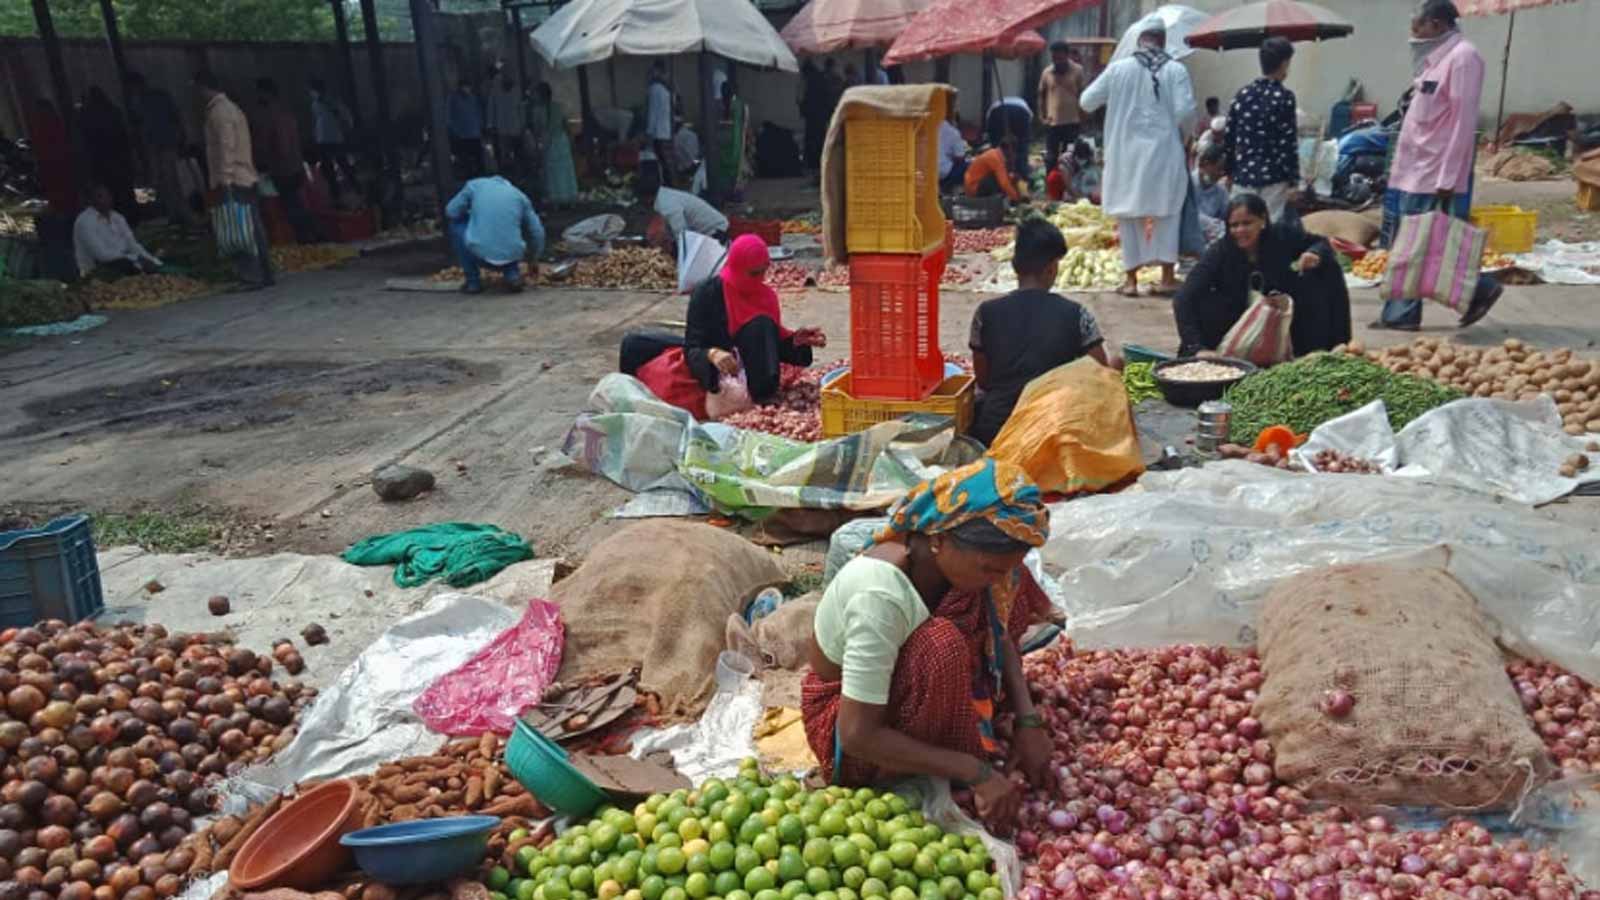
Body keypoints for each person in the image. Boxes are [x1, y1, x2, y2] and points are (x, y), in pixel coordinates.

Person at [801, 456, 1055, 824]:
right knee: (940, 646)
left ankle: (958, 728)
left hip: (909, 689)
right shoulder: (880, 596)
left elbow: (1005, 640)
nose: (996, 577)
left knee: (1013, 589)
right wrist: (976, 772)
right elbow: (857, 734)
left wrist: (1028, 721)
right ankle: (921, 764)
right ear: (939, 540)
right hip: (851, 726)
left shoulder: (966, 571)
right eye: (989, 567)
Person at [1377, 0, 1502, 331]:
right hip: (1413, 169)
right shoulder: (1435, 60)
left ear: (1435, 24)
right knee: (1409, 242)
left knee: (1430, 243)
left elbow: (1463, 121)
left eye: (1417, 26)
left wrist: (1449, 175)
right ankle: (1398, 312)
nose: (1413, 33)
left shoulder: (1463, 58)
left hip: (1435, 173)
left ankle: (1478, 289)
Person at [622, 236, 825, 418]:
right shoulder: (707, 292)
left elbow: (770, 346)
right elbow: (693, 345)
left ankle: (757, 395)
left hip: (747, 368)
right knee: (634, 344)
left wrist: (795, 342)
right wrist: (712, 354)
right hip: (712, 362)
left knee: (761, 324)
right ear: (736, 267)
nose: (760, 279)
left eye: (763, 272)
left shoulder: (766, 297)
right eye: (754, 273)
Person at [1080, 14, 1197, 297]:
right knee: (1167, 214)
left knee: (1128, 215)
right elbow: (1185, 111)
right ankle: (1167, 277)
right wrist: (1187, 137)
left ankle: (1131, 281)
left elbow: (1086, 101)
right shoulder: (1176, 70)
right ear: (1163, 40)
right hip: (1164, 154)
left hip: (1125, 156)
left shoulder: (1118, 70)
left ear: (1139, 39)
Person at [968, 217, 1110, 446]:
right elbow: (1099, 377)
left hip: (996, 431)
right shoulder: (1077, 314)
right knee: (1116, 368)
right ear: (1052, 269)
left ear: (1014, 266)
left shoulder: (985, 314)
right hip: (1053, 433)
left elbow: (983, 380)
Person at [1174, 192, 1351, 358]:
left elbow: (1321, 243)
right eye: (1234, 225)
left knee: (1328, 268)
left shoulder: (1282, 235)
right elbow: (1183, 297)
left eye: (1247, 223)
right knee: (1202, 298)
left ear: (1263, 220)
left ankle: (1328, 347)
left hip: (1281, 314)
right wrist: (1196, 347)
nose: (1240, 230)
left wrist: (1314, 253)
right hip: (1237, 319)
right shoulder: (1220, 252)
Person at [196, 70, 273, 289]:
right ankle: (265, 274)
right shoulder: (232, 108)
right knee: (253, 228)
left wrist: (225, 179)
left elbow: (226, 146)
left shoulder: (219, 111)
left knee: (238, 229)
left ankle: (251, 276)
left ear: (205, 88)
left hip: (234, 179)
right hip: (244, 176)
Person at [1224, 38, 1300, 223]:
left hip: (1243, 175)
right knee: (1268, 228)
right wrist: (1293, 180)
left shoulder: (1242, 95)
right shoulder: (1284, 98)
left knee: (1241, 227)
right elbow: (1287, 142)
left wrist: (1229, 171)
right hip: (1274, 177)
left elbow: (1230, 137)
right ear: (1284, 64)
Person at [444, 175, 544, 295]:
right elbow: (537, 232)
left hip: (478, 253)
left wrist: (472, 213)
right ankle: (512, 275)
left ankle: (473, 282)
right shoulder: (520, 196)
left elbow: (451, 211)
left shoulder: (474, 186)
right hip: (513, 254)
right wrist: (533, 260)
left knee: (456, 224)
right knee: (509, 228)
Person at [126, 72, 198, 227]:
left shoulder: (141, 102)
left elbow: (146, 127)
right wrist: (181, 138)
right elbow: (176, 116)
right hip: (168, 144)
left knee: (163, 182)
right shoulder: (160, 96)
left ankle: (175, 214)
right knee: (170, 181)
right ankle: (177, 213)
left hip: (158, 146)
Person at [252, 78, 319, 245]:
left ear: (265, 93)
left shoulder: (271, 115)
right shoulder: (286, 112)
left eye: (260, 93)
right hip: (295, 166)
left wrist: (267, 159)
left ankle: (306, 240)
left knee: (293, 207)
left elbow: (282, 145)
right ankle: (311, 236)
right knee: (298, 204)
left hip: (284, 169)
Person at [73, 184, 161, 279]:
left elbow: (132, 244)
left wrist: (153, 261)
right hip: (96, 274)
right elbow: (102, 255)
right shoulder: (84, 222)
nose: (106, 199)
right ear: (90, 200)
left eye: (108, 196)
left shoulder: (117, 217)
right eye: (100, 196)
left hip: (124, 265)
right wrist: (135, 259)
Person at [79, 86, 139, 225]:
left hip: (103, 162)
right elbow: (124, 136)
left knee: (111, 193)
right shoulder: (112, 111)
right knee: (124, 191)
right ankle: (132, 218)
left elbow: (87, 143)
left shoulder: (88, 117)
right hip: (118, 160)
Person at [637, 175, 729, 245]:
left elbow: (681, 235)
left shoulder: (667, 205)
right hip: (706, 231)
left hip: (716, 231)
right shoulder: (664, 195)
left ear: (647, 198)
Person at [1038, 43, 1086, 173]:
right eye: (1054, 59)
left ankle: (1068, 187)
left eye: (1060, 58)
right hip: (1052, 123)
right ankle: (1052, 186)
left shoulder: (1078, 71)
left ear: (1067, 55)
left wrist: (1083, 117)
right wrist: (1042, 117)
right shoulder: (1047, 72)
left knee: (1069, 156)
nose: (1057, 62)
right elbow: (1041, 96)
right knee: (1051, 157)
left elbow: (1083, 95)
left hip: (1072, 123)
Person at [309, 78, 358, 203]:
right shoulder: (315, 104)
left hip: (335, 139)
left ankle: (356, 188)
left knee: (343, 164)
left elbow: (346, 116)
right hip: (323, 141)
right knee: (329, 169)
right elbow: (317, 122)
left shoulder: (332, 101)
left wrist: (347, 128)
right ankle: (335, 194)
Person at [528, 83, 577, 208]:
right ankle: (570, 199)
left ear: (540, 95)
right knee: (566, 169)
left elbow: (537, 130)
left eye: (535, 93)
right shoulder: (559, 107)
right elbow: (566, 125)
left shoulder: (537, 110)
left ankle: (556, 200)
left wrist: (537, 144)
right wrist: (571, 140)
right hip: (562, 141)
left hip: (549, 142)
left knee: (552, 172)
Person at [25, 98, 76, 216]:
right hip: (59, 165)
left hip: (53, 166)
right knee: (66, 197)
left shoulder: (40, 124)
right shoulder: (53, 121)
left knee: (60, 198)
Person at [486, 73, 526, 177]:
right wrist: (490, 125)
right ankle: (508, 176)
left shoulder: (517, 90)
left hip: (516, 128)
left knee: (519, 154)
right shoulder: (495, 91)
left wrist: (523, 125)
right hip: (502, 129)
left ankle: (520, 176)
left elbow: (521, 109)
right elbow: (491, 108)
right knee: (504, 155)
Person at [985, 96, 1033, 178]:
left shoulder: (991, 113)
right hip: (1020, 112)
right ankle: (1022, 170)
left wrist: (996, 143)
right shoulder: (1027, 112)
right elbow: (1023, 135)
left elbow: (991, 132)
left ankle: (996, 169)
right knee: (1022, 145)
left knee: (995, 145)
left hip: (998, 111)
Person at [447, 80, 485, 179]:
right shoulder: (453, 99)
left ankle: (479, 173)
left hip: (474, 132)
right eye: (465, 86)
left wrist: (480, 125)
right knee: (465, 157)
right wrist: (453, 130)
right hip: (462, 134)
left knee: (478, 156)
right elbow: (449, 116)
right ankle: (468, 174)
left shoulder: (473, 98)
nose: (467, 89)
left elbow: (478, 113)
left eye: (468, 86)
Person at [1193, 144, 1230, 244]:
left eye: (1223, 170)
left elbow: (1227, 215)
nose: (1221, 173)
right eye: (1219, 168)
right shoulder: (1187, 184)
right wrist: (1212, 224)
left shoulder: (1221, 191)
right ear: (1205, 164)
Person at [645, 63, 674, 186]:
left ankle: (668, 186)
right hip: (666, 131)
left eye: (651, 72)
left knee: (663, 162)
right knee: (667, 162)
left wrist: (649, 133)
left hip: (658, 132)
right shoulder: (666, 89)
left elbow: (653, 112)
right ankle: (671, 186)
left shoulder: (654, 88)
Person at [799, 61, 831, 171]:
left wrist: (803, 107)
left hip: (813, 117)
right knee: (819, 140)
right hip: (821, 116)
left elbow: (808, 99)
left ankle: (813, 165)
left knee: (813, 141)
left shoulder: (812, 81)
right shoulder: (821, 79)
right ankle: (818, 164)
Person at [938, 110, 970, 192]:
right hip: (944, 173)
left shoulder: (925, 126)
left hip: (924, 171)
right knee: (970, 166)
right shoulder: (953, 132)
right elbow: (960, 158)